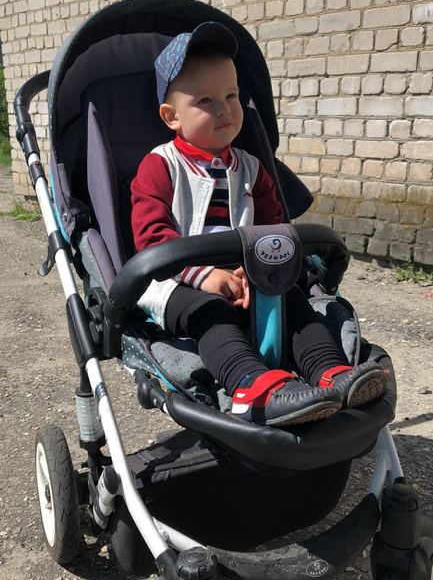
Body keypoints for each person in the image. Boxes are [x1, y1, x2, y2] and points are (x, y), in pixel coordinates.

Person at [131, 22, 387, 427]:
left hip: (249, 273)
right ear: (172, 116)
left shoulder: (251, 169)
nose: (224, 108)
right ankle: (251, 386)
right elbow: (151, 237)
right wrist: (205, 276)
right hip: (176, 282)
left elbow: (274, 230)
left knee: (294, 302)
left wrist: (263, 272)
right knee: (211, 313)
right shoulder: (160, 166)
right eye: (206, 100)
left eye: (231, 96)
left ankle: (331, 372)